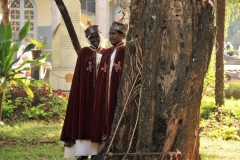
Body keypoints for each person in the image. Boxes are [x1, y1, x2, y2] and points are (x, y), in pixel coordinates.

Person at [60, 24, 105, 160]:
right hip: (87, 95)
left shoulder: (106, 52)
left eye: (96, 36)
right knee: (86, 121)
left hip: (101, 96)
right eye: (91, 37)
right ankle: (83, 154)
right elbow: (81, 77)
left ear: (101, 36)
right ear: (88, 39)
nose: (95, 39)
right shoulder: (85, 52)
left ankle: (99, 152)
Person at [91, 21, 128, 143]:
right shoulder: (106, 52)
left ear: (122, 35)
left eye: (114, 34)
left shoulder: (126, 51)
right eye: (110, 33)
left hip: (118, 90)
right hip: (104, 91)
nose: (111, 36)